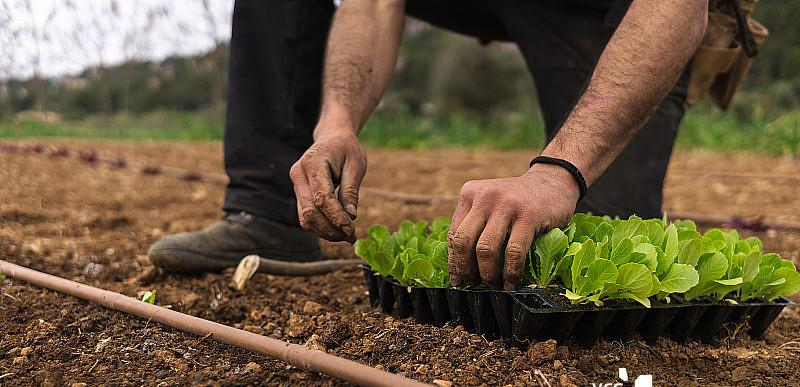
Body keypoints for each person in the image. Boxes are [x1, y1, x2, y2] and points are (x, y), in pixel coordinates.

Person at [148, 0, 708, 291]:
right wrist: (335, 124)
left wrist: (559, 170)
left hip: (596, 8)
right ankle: (267, 208)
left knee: (596, 252)